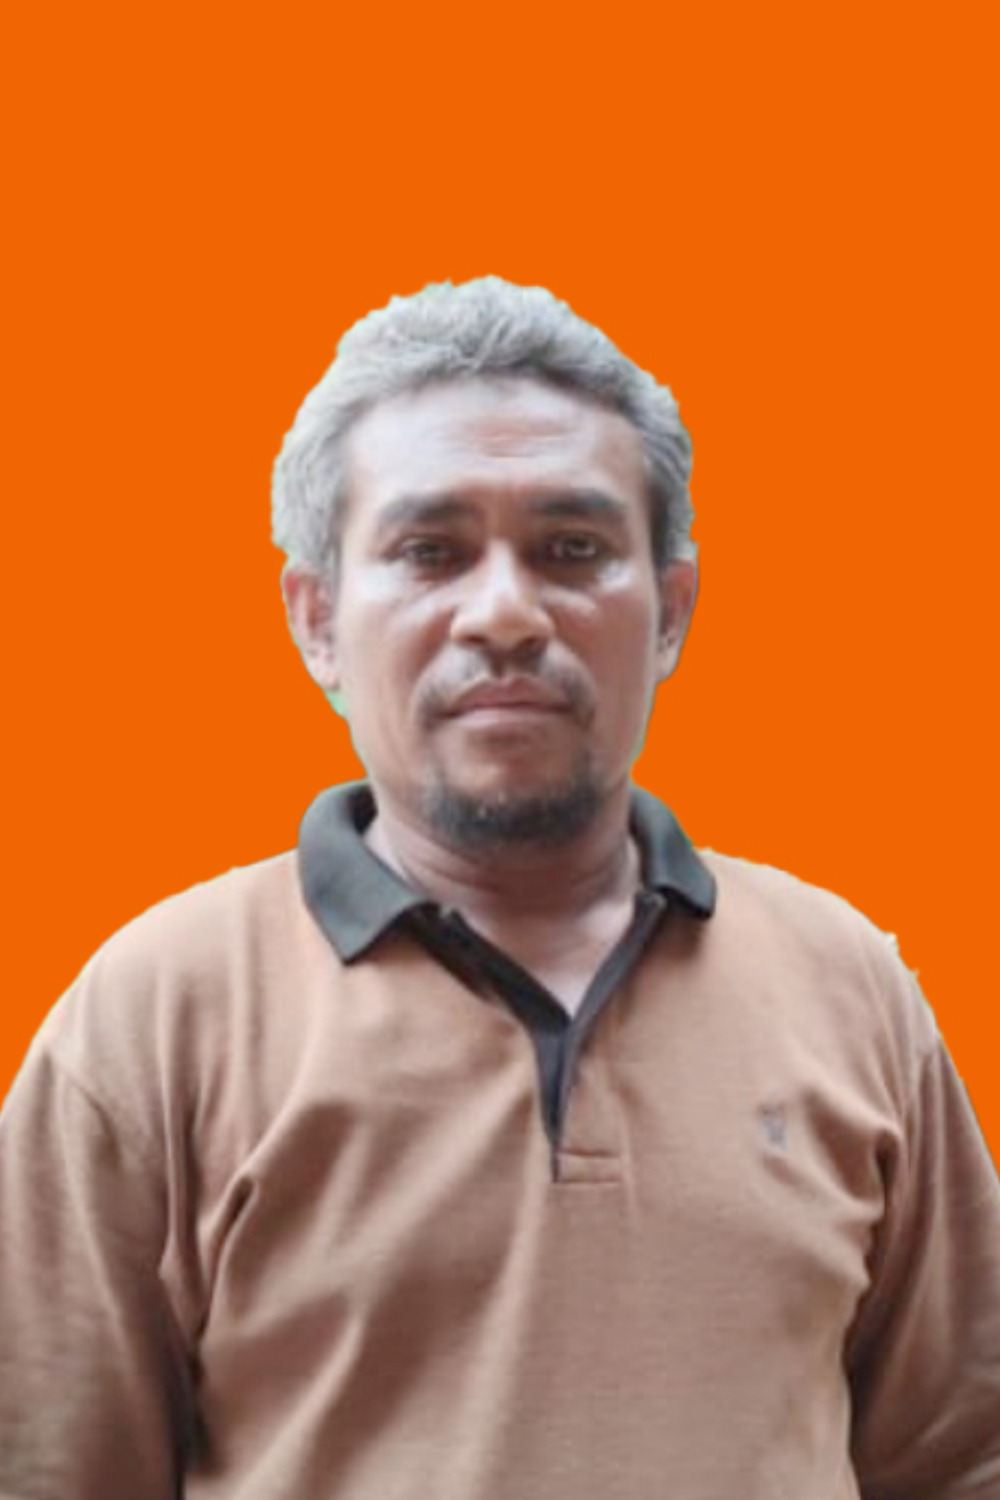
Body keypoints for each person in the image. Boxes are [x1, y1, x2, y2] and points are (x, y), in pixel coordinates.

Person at [1, 277, 998, 1500]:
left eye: (572, 550)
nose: (508, 614)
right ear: (317, 619)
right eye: (430, 552)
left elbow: (961, 1457)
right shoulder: (153, 1019)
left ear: (671, 610)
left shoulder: (849, 989)